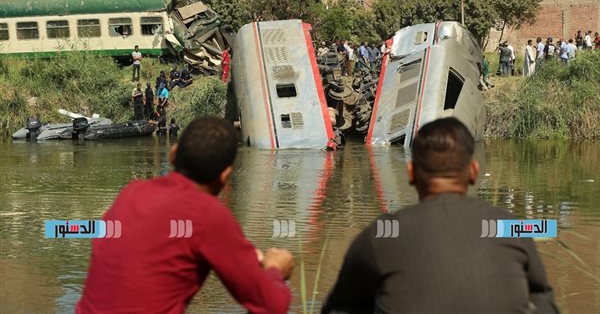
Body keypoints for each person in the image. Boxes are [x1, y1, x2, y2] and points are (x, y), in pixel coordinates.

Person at [321, 117, 559, 314]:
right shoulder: (508, 226)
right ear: (474, 172)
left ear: (411, 174)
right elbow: (543, 296)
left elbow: (337, 306)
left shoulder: (384, 232)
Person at [76, 118, 294, 313]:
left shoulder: (131, 192)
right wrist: (275, 269)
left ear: (173, 154)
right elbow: (271, 305)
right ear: (225, 176)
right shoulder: (208, 214)